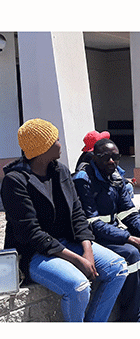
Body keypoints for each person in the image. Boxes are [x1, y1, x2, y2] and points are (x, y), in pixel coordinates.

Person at [1, 118, 127, 322]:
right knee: (78, 286)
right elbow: (31, 233)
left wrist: (87, 251)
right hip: (35, 253)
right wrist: (77, 259)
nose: (61, 143)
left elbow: (77, 213)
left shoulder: (60, 171)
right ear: (43, 148)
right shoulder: (14, 181)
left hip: (69, 242)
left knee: (117, 268)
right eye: (56, 140)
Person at [73, 138, 140, 322]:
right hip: (93, 237)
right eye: (106, 157)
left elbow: (129, 213)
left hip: (113, 232)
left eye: (115, 158)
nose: (111, 162)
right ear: (94, 157)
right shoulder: (83, 180)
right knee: (131, 254)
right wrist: (131, 239)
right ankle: (132, 318)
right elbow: (93, 223)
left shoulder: (116, 177)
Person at [75, 130, 135, 197]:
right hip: (99, 189)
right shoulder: (92, 158)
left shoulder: (85, 156)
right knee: (128, 187)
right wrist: (125, 181)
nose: (111, 161)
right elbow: (107, 175)